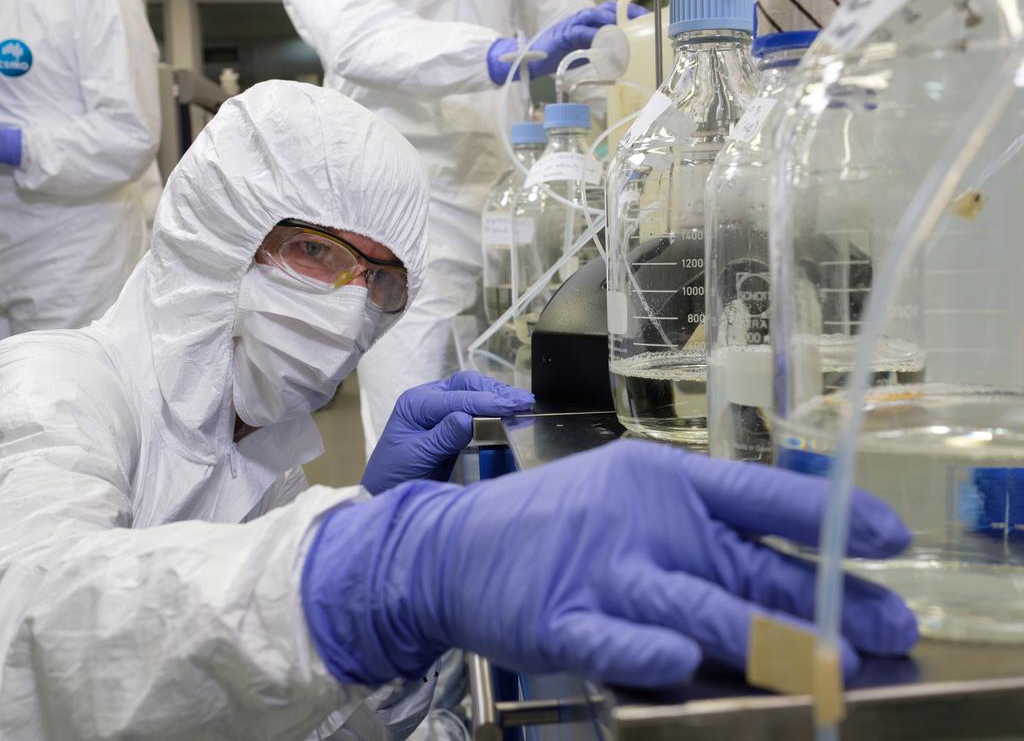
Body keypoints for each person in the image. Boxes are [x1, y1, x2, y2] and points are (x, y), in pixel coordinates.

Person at [0, 81, 917, 741]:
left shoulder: (256, 463)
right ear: (215, 235)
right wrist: (390, 564)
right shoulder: (53, 389)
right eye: (318, 252)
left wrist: (372, 523)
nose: (352, 304)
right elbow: (35, 636)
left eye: (382, 280)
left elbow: (257, 698)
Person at [275, 0, 642, 452]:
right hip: (396, 199)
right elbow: (355, 33)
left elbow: (575, 36)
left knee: (524, 411)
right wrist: (501, 54)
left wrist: (638, 91)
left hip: (511, 188)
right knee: (417, 415)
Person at [0, 0, 161, 337]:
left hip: (72, 261)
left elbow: (128, 135)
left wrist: (18, 147)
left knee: (63, 386)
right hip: (9, 246)